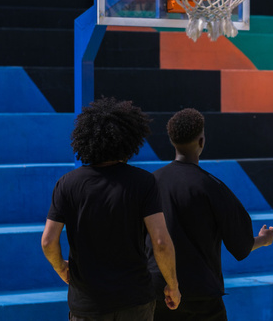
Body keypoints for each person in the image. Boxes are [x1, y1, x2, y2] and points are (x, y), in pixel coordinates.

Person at [41, 97, 181, 320]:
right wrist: (172, 285)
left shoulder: (67, 184)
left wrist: (61, 269)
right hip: (134, 301)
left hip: (87, 303)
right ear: (128, 140)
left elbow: (48, 241)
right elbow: (161, 243)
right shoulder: (143, 182)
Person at [148, 108, 273, 321]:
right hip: (200, 295)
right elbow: (240, 245)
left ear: (172, 141)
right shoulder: (212, 187)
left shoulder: (150, 183)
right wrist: (262, 240)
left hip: (156, 291)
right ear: (201, 142)